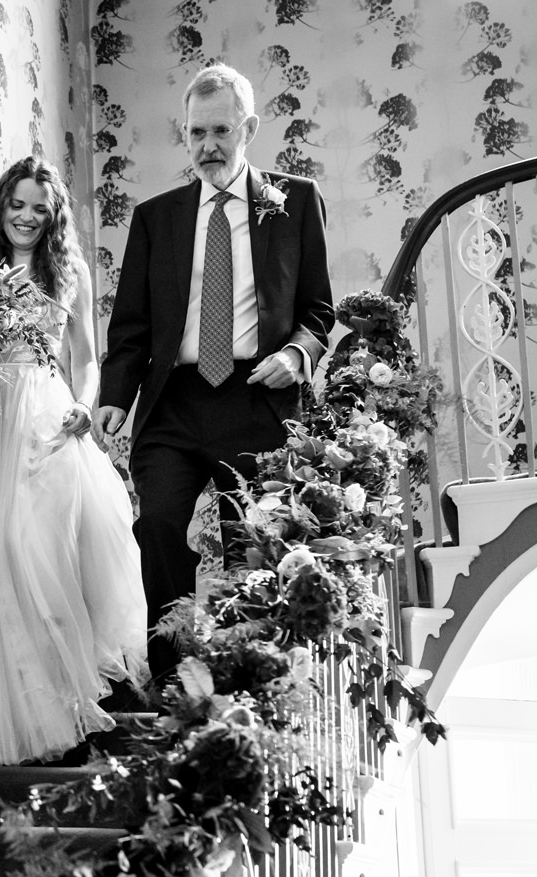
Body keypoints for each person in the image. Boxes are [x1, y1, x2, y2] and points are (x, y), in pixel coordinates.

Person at [96, 63, 335, 687]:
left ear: (249, 128)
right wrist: (114, 398)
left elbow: (318, 310)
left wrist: (298, 356)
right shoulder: (156, 218)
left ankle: (242, 677)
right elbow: (132, 323)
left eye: (221, 131)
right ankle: (173, 677)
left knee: (249, 542)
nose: (207, 147)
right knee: (158, 526)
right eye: (195, 133)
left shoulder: (297, 201)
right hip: (173, 402)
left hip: (257, 400)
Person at [0, 156, 147, 766]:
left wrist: (84, 404)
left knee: (44, 551)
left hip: (48, 418)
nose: (25, 216)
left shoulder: (67, 270)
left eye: (38, 208)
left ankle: (66, 699)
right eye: (16, 204)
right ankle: (16, 710)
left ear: (53, 217)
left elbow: (86, 359)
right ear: (1, 207)